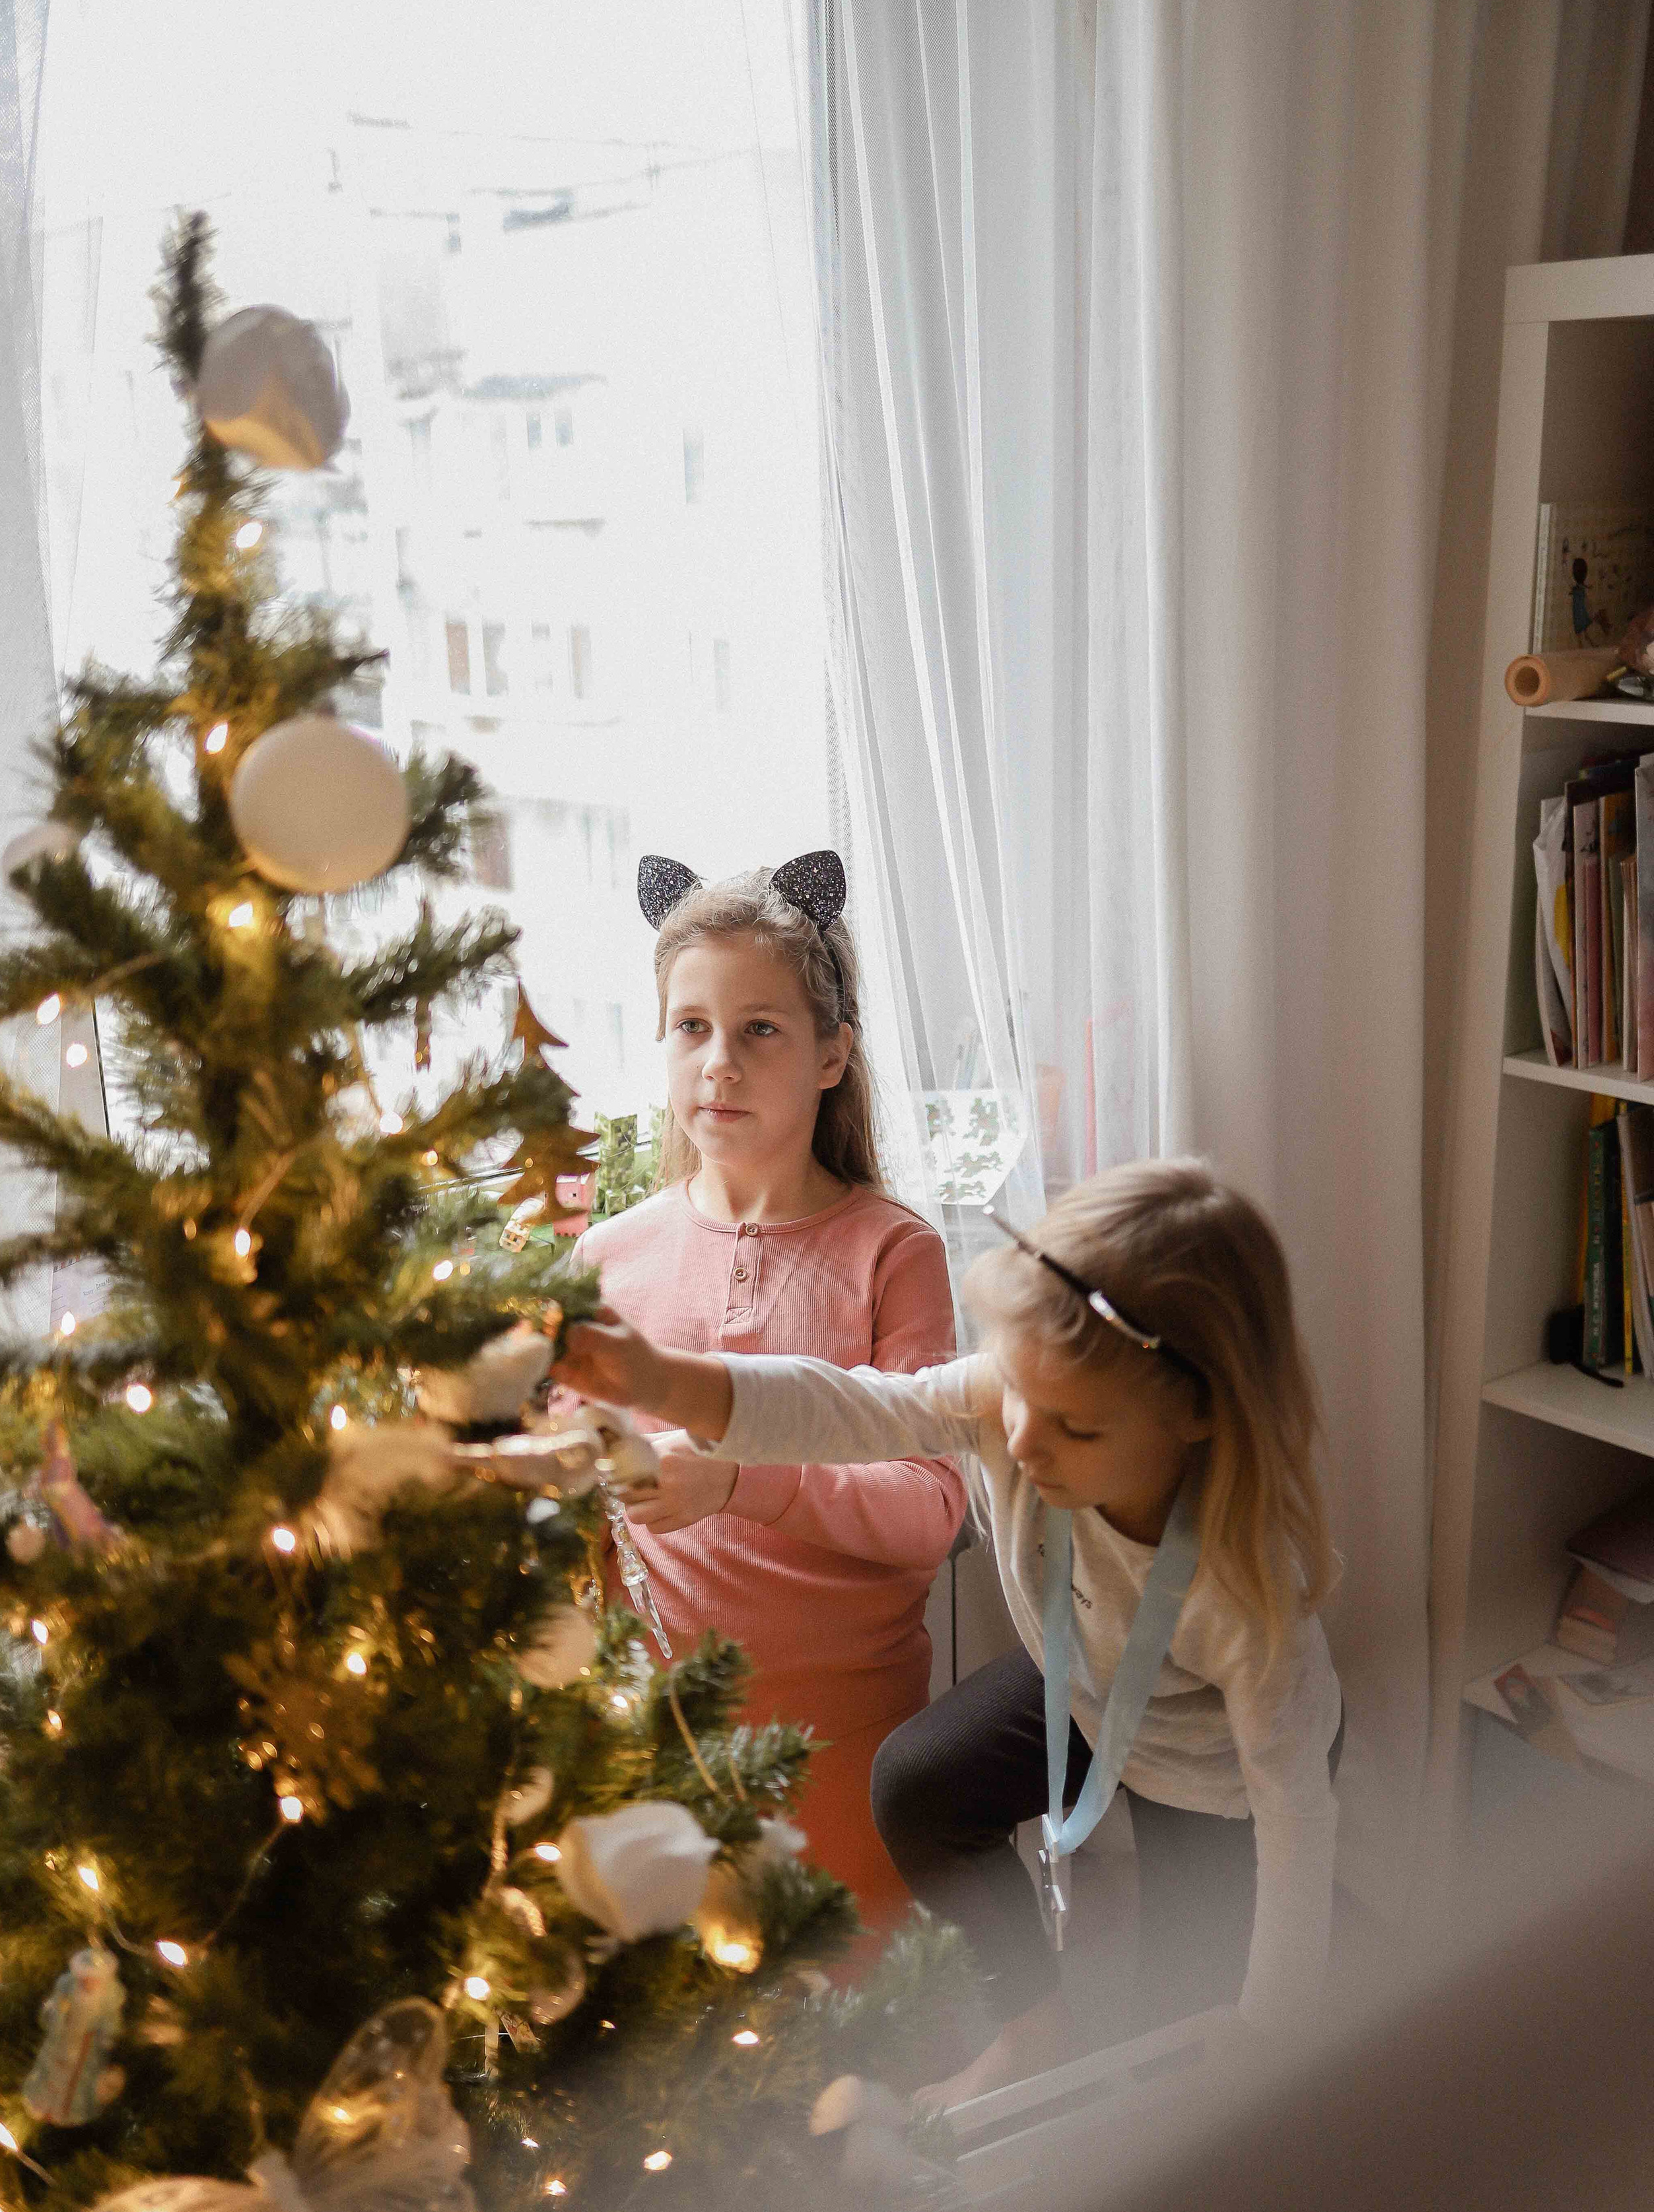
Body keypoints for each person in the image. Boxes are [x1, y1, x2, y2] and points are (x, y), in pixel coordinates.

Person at [557, 1158, 1343, 2104]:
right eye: (1013, 1391)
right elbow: (851, 1405)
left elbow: (1298, 1817)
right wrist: (666, 1382)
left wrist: (1268, 2031)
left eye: (1074, 1430)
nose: (1018, 1441)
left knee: (1179, 2039)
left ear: (1200, 1415)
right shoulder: (1023, 1399)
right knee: (922, 1785)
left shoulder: (1246, 1596)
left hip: (1219, 1775)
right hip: (1092, 1684)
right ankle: (1033, 2031)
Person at [578, 850, 965, 1934]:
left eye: (761, 1031)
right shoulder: (607, 1258)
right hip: (666, 1736)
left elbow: (929, 1514)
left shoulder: (893, 1253)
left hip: (849, 1733)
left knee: (856, 2045)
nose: (719, 1064)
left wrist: (740, 1484)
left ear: (834, 1055)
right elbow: (573, 1499)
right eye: (691, 1028)